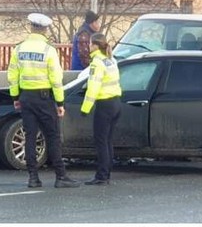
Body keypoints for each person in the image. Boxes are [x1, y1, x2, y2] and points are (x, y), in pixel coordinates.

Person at [7, 13, 80, 188]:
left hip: (26, 97)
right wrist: (60, 103)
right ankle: (60, 176)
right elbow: (56, 79)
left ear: (31, 27)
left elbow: (12, 76)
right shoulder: (49, 50)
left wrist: (15, 97)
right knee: (52, 136)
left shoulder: (19, 49)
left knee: (30, 137)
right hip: (44, 98)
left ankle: (33, 177)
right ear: (45, 30)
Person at [80, 33, 122, 185]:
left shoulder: (97, 63)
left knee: (101, 142)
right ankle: (107, 173)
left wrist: (85, 108)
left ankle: (102, 176)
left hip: (104, 105)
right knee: (108, 141)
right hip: (116, 102)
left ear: (96, 46)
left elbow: (93, 87)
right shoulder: (111, 59)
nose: (88, 46)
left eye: (90, 43)